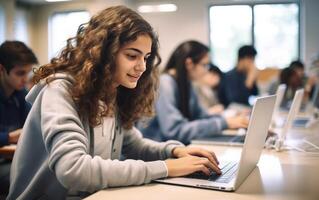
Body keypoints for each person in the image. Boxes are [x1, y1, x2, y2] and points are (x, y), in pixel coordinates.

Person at [7, 6, 222, 200]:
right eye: (132, 56)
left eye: (146, 58)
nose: (142, 67)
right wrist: (166, 167)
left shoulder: (112, 92)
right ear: (102, 53)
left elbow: (134, 145)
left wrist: (175, 152)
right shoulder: (59, 90)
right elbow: (73, 170)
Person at [137, 41, 248, 145]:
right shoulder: (165, 83)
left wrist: (229, 120)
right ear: (189, 63)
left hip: (174, 147)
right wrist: (224, 123)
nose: (206, 70)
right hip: (155, 154)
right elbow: (174, 130)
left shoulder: (187, 84)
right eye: (204, 65)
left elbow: (201, 116)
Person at [0, 41, 38, 196]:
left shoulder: (21, 94)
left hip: (13, 159)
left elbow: (33, 124)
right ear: (1, 69)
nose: (25, 79)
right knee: (29, 178)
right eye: (20, 73)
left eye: (28, 73)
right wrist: (9, 137)